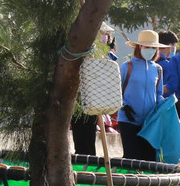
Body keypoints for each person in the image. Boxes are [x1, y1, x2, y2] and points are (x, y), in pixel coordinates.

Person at [117, 29, 169, 161]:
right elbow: (116, 91)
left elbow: (159, 94)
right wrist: (124, 106)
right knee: (131, 157)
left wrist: (165, 106)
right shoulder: (126, 67)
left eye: (153, 47)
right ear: (139, 46)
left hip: (149, 122)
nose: (150, 50)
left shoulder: (157, 69)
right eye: (147, 47)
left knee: (148, 158)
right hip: (128, 119)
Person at [72, 23, 118, 157]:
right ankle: (80, 157)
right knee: (79, 131)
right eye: (102, 34)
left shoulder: (107, 55)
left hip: (96, 97)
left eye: (106, 35)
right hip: (80, 97)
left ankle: (89, 157)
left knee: (90, 133)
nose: (105, 37)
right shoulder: (84, 52)